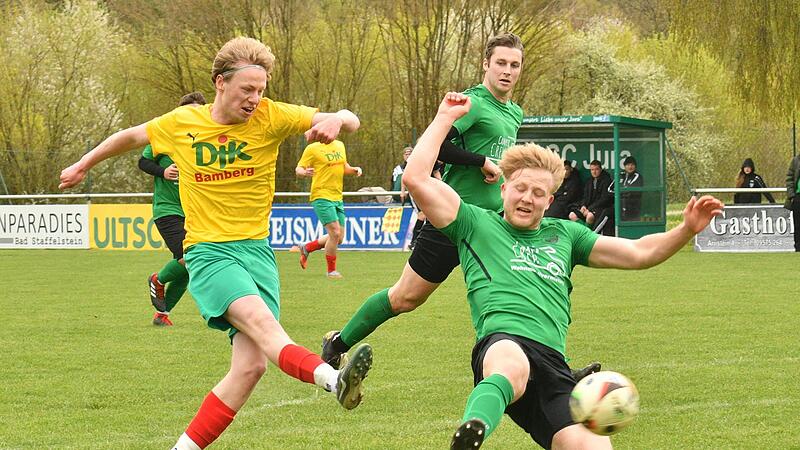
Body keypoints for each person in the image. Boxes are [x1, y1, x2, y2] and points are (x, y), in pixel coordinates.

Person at [59, 37, 374, 450]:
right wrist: (83, 164)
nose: (255, 98)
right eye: (247, 89)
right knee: (266, 328)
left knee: (249, 368)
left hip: (257, 253)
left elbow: (350, 119)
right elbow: (129, 137)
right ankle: (334, 379)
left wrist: (337, 118)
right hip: (210, 252)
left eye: (261, 90)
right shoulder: (182, 122)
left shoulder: (271, 115)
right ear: (220, 83)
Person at [406, 92, 723, 450]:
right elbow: (416, 178)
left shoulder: (566, 235)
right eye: (521, 188)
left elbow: (638, 252)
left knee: (594, 448)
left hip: (555, 368)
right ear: (504, 187)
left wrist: (685, 230)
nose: (527, 198)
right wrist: (444, 118)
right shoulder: (474, 223)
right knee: (510, 365)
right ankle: (473, 428)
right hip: (502, 345)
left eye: (538, 193)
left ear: (550, 200)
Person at [139, 91, 206, 326]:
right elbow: (142, 161)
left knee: (189, 267)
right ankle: (158, 279)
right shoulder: (164, 139)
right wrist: (163, 172)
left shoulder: (204, 143)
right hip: (168, 210)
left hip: (194, 212)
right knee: (190, 257)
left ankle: (162, 314)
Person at [296, 139, 363, 279]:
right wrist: (304, 172)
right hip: (321, 196)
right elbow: (298, 169)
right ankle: (331, 271)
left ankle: (307, 247)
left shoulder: (340, 145)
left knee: (339, 238)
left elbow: (344, 167)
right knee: (335, 233)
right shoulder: (312, 148)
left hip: (337, 197)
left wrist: (355, 170)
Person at [568, 159, 613, 231]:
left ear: (601, 169)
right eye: (592, 170)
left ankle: (586, 235)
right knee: (572, 215)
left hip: (600, 208)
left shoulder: (606, 180)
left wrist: (590, 209)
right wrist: (583, 206)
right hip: (588, 207)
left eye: (596, 169)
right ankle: (585, 232)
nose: (594, 172)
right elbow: (585, 196)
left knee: (589, 216)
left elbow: (604, 199)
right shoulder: (589, 181)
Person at [619, 155, 644, 221]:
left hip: (632, 207)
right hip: (619, 207)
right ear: (624, 166)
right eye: (628, 165)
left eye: (632, 165)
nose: (630, 167)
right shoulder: (620, 175)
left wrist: (621, 193)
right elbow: (610, 189)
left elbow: (632, 191)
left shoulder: (638, 176)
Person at [784, 154, 800, 251]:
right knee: (797, 224)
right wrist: (791, 195)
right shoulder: (796, 160)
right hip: (797, 197)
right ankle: (798, 248)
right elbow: (789, 178)